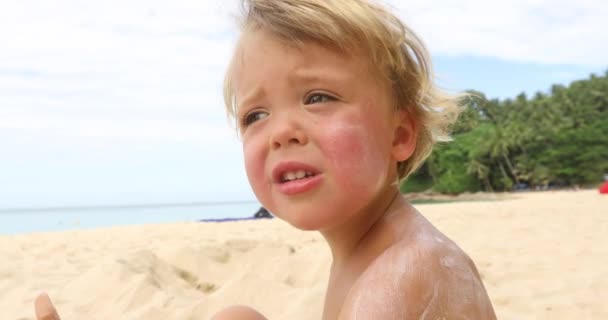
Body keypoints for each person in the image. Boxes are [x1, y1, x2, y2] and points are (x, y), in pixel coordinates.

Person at [34, 0, 497, 319]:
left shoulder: (400, 276)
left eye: (317, 97)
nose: (281, 132)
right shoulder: (372, 251)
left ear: (400, 135)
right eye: (255, 115)